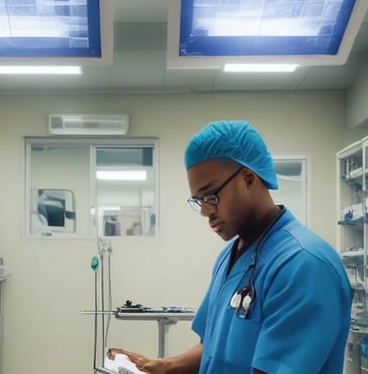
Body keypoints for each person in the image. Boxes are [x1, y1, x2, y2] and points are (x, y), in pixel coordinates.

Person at [109, 120, 352, 374]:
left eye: (211, 196)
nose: (204, 211)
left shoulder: (304, 265)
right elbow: (214, 350)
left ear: (248, 178)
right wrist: (161, 367)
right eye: (198, 200)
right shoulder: (231, 255)